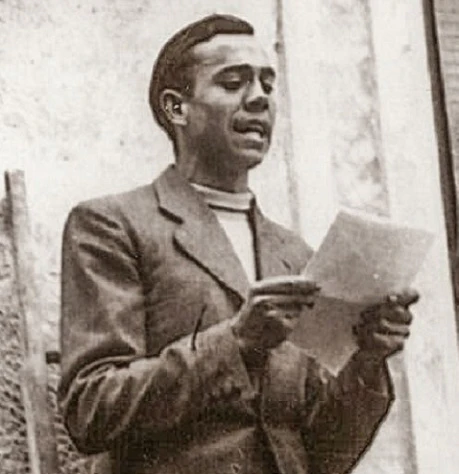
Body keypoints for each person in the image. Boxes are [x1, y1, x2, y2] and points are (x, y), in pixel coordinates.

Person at [59, 14, 418, 474]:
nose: (259, 98)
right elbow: (90, 410)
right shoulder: (113, 225)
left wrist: (366, 361)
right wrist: (236, 342)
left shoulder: (295, 256)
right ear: (176, 108)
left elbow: (326, 457)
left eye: (268, 84)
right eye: (233, 83)